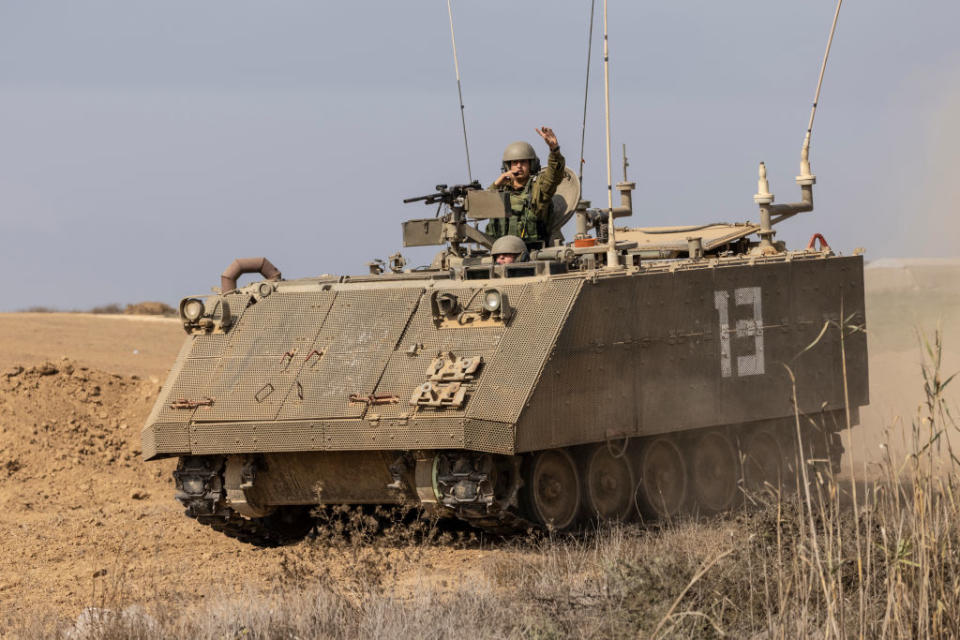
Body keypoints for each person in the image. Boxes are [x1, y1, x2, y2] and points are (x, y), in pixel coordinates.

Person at [485, 127, 566, 250]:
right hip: (502, 253)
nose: (519, 166)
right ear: (508, 166)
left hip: (533, 251)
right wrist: (496, 184)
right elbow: (482, 207)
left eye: (523, 162)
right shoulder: (500, 191)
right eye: (514, 163)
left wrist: (554, 150)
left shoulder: (538, 188)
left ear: (531, 164)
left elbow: (554, 175)